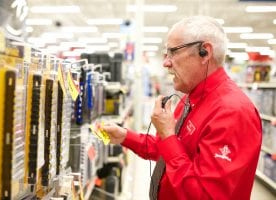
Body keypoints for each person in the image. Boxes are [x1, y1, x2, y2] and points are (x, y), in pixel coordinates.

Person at [102, 16, 262, 200]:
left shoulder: (232, 112)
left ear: (205, 52)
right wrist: (124, 136)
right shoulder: (190, 97)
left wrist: (168, 135)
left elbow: (204, 195)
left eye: (173, 52)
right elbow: (168, 150)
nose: (166, 63)